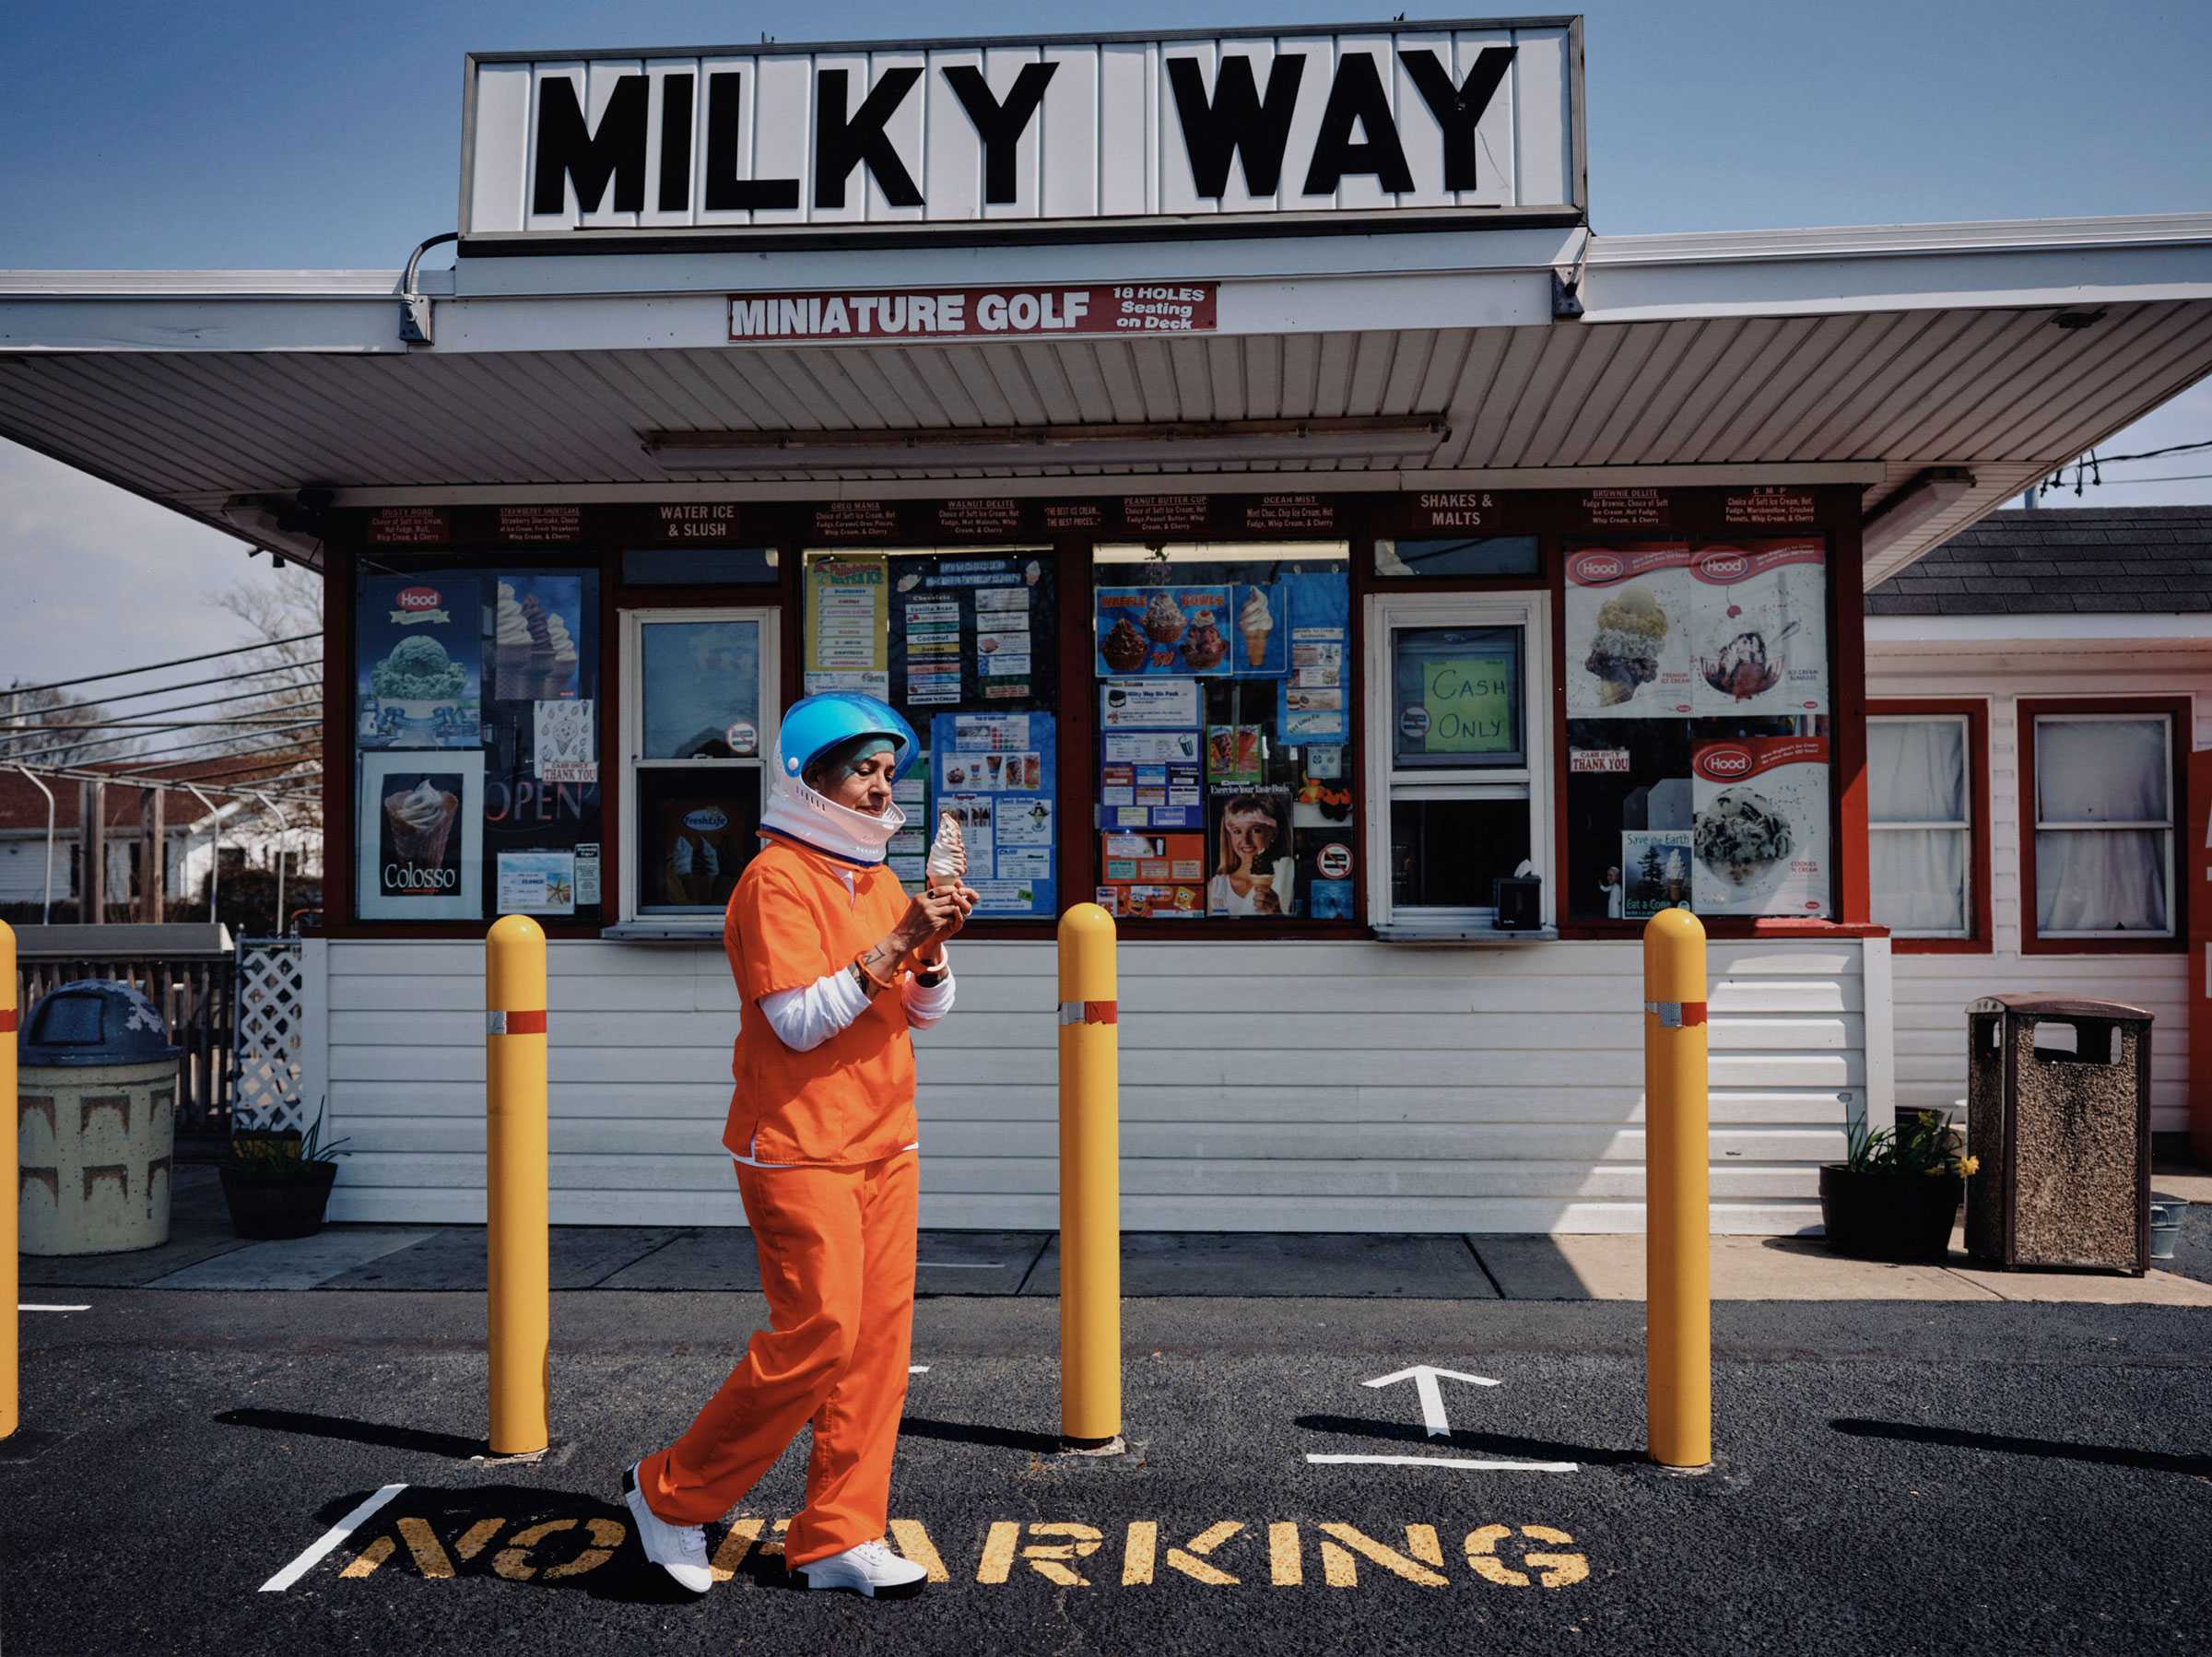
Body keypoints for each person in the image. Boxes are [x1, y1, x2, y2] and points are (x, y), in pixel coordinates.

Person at [622, 692, 975, 1600]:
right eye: (863, 769)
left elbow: (927, 1011)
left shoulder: (881, 882)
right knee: (818, 1334)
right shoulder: (773, 881)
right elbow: (796, 1022)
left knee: (876, 1348)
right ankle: (670, 1493)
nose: (880, 787)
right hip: (798, 1144)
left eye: (889, 771)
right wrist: (900, 941)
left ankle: (838, 1535)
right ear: (811, 778)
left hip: (886, 1140)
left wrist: (928, 953)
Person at [1207, 793, 1293, 916]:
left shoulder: (1287, 873)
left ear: (1273, 834)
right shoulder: (1216, 887)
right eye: (1237, 831)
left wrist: (1277, 915)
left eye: (1255, 830)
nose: (1245, 841)